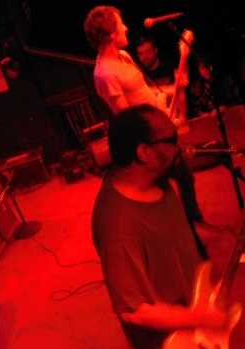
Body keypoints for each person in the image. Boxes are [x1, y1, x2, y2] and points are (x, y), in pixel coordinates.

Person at [92, 104, 233, 349]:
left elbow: (174, 235)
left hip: (188, 306)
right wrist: (202, 318)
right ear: (144, 152)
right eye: (170, 139)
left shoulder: (160, 185)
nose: (180, 142)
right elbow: (135, 311)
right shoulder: (118, 224)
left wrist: (214, 246)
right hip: (163, 330)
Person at [84, 5, 204, 225]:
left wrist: (170, 92)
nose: (126, 28)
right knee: (169, 187)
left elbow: (143, 91)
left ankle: (191, 226)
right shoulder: (105, 74)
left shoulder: (123, 56)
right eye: (121, 25)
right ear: (111, 35)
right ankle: (190, 229)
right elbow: (129, 120)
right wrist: (157, 136)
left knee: (182, 178)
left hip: (158, 126)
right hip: (149, 141)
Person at [135, 35, 188, 123]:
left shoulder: (170, 67)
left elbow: (181, 95)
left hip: (176, 118)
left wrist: (182, 117)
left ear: (155, 50)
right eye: (140, 53)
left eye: (147, 52)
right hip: (155, 121)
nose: (144, 57)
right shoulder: (139, 74)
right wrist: (170, 89)